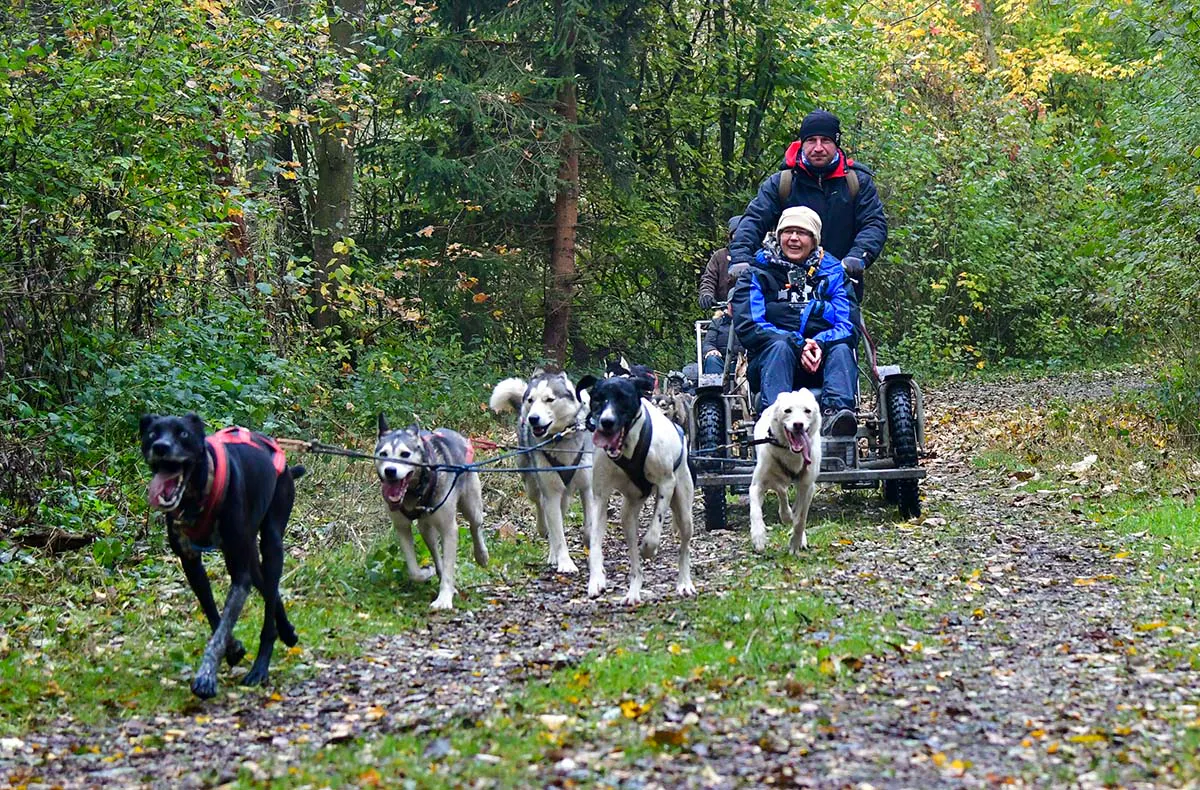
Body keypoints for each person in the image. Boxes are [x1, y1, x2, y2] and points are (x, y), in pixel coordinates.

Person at [729, 110, 887, 302]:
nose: (818, 147)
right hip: (783, 288)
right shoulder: (782, 183)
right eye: (811, 140)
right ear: (802, 143)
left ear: (836, 144)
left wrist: (858, 256)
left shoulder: (856, 183)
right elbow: (754, 221)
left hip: (840, 285)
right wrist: (741, 258)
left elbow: (873, 224)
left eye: (826, 140)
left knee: (846, 331)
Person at [730, 206, 857, 436]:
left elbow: (849, 324)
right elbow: (749, 325)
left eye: (802, 233)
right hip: (771, 362)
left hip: (822, 361)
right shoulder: (756, 272)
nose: (794, 238)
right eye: (788, 232)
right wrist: (796, 344)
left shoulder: (834, 271)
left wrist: (820, 343)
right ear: (779, 236)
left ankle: (836, 418)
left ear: (814, 239)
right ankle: (775, 422)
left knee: (841, 348)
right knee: (779, 346)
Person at [698, 215, 743, 310]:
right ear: (730, 235)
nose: (739, 236)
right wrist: (706, 294)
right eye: (736, 233)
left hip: (753, 310)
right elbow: (709, 279)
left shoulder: (757, 255)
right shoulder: (720, 256)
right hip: (724, 310)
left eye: (743, 232)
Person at [702, 303, 742, 375]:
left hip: (745, 361)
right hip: (722, 361)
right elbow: (708, 343)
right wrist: (711, 350)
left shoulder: (750, 322)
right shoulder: (717, 323)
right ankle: (716, 386)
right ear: (728, 306)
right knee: (712, 360)